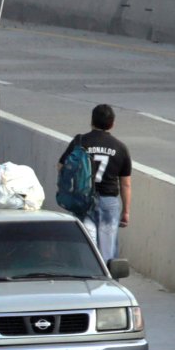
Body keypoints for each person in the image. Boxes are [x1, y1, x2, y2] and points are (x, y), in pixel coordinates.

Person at [66, 103, 131, 262]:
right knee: (108, 249)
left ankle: (87, 271)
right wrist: (126, 211)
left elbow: (62, 166)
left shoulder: (80, 141)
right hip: (108, 201)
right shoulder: (120, 147)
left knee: (85, 244)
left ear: (92, 121)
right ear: (112, 124)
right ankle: (107, 274)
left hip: (83, 199)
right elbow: (125, 184)